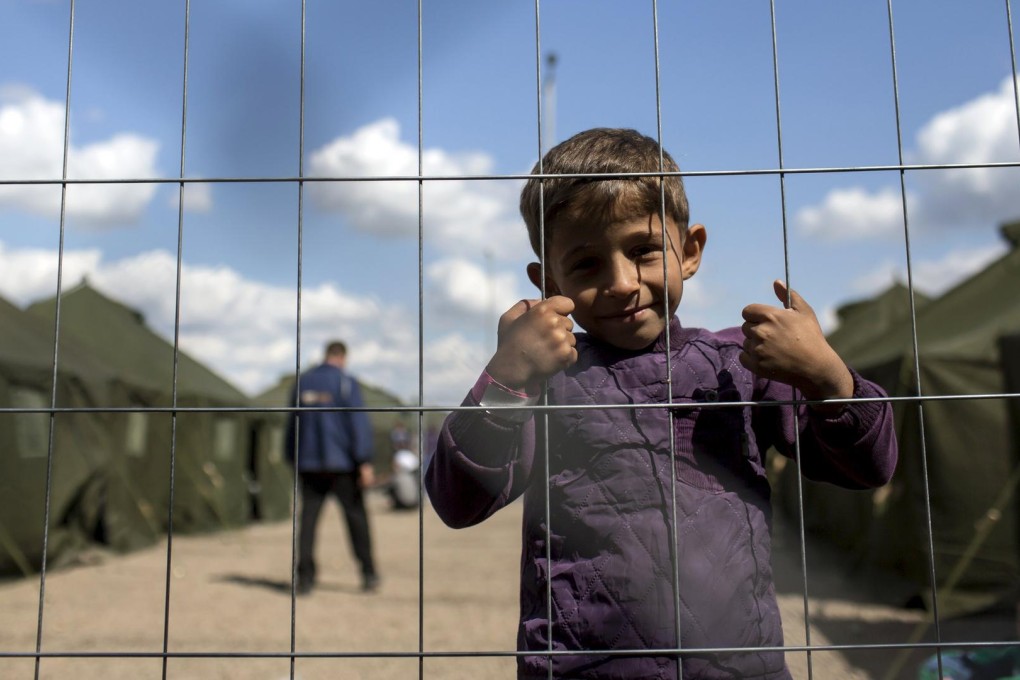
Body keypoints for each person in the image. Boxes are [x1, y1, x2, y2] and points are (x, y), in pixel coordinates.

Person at [425, 128, 898, 679]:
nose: (622, 283)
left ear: (690, 250)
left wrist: (828, 378)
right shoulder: (547, 381)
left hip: (738, 664)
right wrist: (506, 375)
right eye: (586, 265)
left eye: (643, 251)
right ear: (548, 280)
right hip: (585, 668)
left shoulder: (738, 366)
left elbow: (869, 468)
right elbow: (457, 501)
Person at [286, 340, 379, 594]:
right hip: (343, 465)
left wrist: (291, 458)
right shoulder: (346, 382)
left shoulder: (302, 382)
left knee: (307, 522)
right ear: (342, 357)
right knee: (356, 519)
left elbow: (291, 424)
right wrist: (364, 460)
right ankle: (368, 573)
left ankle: (305, 578)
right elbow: (358, 422)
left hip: (309, 464)